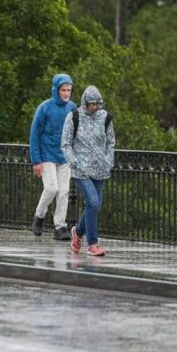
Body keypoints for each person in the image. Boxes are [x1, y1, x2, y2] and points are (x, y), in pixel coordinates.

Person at [61, 85, 115, 256]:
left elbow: (110, 142)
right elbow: (65, 143)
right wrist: (75, 162)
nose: (94, 107)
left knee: (96, 206)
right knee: (91, 202)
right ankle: (93, 244)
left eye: (96, 104)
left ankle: (77, 232)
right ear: (85, 102)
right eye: (90, 104)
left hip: (101, 169)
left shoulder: (106, 117)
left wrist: (108, 160)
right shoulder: (74, 117)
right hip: (81, 169)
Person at [29, 73, 77, 240]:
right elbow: (35, 134)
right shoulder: (44, 107)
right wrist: (36, 160)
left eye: (69, 90)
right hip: (46, 154)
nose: (66, 93)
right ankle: (39, 216)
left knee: (64, 191)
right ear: (56, 90)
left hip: (65, 155)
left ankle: (60, 227)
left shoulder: (72, 107)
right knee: (52, 188)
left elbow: (76, 132)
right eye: (63, 90)